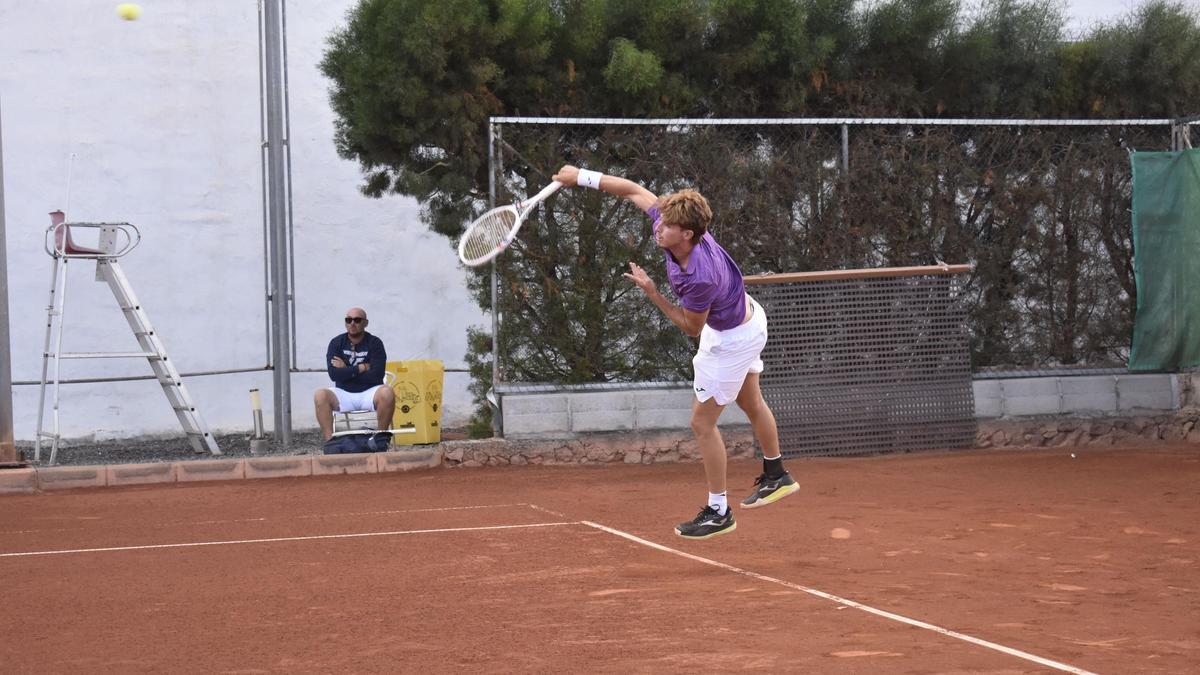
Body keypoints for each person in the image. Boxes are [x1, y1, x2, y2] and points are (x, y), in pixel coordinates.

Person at [552, 165, 799, 540]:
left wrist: (652, 292)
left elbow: (691, 327)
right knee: (751, 402)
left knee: (702, 423)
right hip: (749, 319)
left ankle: (719, 511)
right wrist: (581, 177)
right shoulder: (678, 227)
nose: (657, 227)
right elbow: (633, 188)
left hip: (731, 338)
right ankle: (777, 474)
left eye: (665, 226)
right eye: (660, 220)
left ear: (686, 234)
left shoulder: (698, 276)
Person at [314, 307, 395, 447]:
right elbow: (334, 374)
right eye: (348, 320)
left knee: (387, 392)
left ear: (365, 323)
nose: (352, 323)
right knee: (320, 395)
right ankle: (330, 443)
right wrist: (361, 368)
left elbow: (377, 376)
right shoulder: (336, 343)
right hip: (343, 393)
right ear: (345, 323)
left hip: (370, 392)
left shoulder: (375, 343)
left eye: (357, 320)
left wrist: (346, 370)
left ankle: (381, 440)